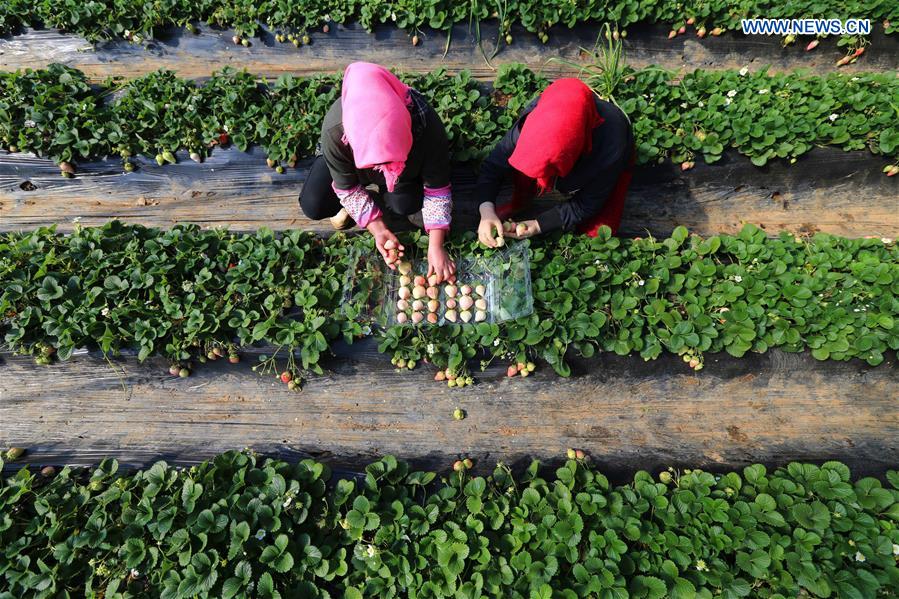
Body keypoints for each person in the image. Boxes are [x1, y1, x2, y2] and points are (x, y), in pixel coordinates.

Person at [300, 62, 456, 282]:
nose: (383, 167)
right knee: (313, 204)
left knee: (406, 204)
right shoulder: (337, 132)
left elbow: (437, 187)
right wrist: (378, 229)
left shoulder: (425, 124)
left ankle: (377, 198)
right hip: (352, 165)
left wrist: (436, 246)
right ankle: (366, 205)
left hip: (405, 170)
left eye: (389, 159)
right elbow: (348, 189)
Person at [475, 78, 635, 247]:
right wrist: (486, 211)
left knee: (598, 231)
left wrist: (539, 225)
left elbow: (587, 203)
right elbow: (493, 166)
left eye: (549, 173)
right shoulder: (530, 123)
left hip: (610, 155)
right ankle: (522, 200)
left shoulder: (612, 143)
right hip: (566, 151)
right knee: (524, 172)